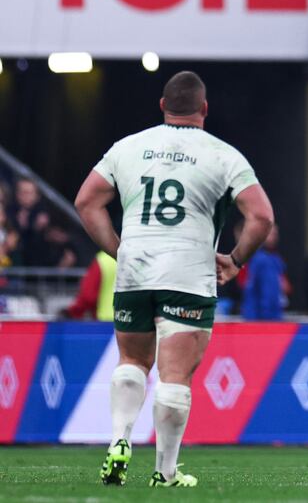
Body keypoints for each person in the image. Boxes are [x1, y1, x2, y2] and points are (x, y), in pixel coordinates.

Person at [74, 71, 273, 488]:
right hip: (188, 272)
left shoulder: (127, 147)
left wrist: (119, 249)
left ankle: (119, 439)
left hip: (135, 270)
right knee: (174, 376)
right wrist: (235, 260)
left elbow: (86, 201)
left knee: (131, 362)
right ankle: (164, 472)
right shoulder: (223, 155)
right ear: (204, 109)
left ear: (163, 106)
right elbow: (261, 216)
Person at [241, 224, 290, 320]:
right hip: (260, 317)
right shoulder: (259, 259)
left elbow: (284, 286)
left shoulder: (276, 259)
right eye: (271, 234)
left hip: (273, 313)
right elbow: (266, 292)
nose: (274, 237)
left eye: (276, 234)